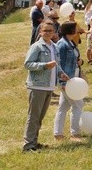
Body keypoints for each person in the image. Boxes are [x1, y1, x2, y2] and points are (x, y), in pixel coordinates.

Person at [23, 20, 68, 152]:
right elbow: (27, 64)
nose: (48, 33)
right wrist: (44, 65)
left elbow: (57, 65)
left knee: (40, 117)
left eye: (50, 30)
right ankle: (28, 146)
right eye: (45, 30)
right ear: (40, 32)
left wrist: (61, 74)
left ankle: (34, 143)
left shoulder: (54, 47)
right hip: (37, 86)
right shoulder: (37, 47)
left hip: (49, 87)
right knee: (33, 117)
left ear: (54, 32)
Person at [54, 21, 83, 140]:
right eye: (76, 27)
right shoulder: (61, 45)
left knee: (63, 107)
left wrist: (80, 62)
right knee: (78, 105)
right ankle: (75, 133)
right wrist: (63, 82)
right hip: (67, 81)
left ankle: (58, 134)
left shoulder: (70, 42)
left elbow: (74, 59)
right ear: (70, 30)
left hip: (74, 78)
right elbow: (58, 64)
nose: (78, 29)